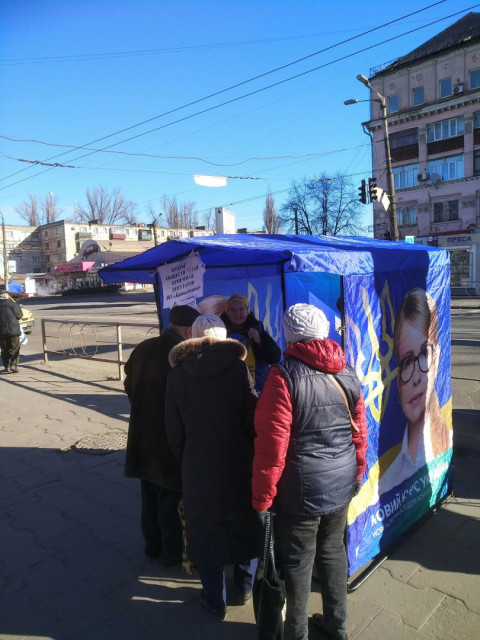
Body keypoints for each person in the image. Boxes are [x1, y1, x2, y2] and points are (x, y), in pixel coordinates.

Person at [252, 303, 368, 640]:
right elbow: (360, 433)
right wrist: (357, 474)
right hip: (342, 482)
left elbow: (271, 447)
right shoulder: (347, 371)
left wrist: (263, 497)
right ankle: (337, 628)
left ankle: (296, 634)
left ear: (290, 335)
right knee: (333, 555)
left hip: (301, 492)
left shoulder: (283, 375)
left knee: (299, 565)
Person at [165, 313, 262, 621]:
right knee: (244, 520)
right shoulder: (237, 369)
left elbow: (173, 429)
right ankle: (245, 586)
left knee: (204, 526)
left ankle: (213, 600)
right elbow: (253, 418)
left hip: (197, 461)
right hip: (238, 457)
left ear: (193, 337)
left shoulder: (178, 375)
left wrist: (186, 461)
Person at [123, 304, 201, 566]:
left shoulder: (144, 347)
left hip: (142, 437)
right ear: (189, 330)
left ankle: (152, 546)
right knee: (170, 498)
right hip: (168, 440)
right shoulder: (182, 355)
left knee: (149, 495)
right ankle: (170, 554)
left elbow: (128, 383)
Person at [381, 287, 452, 492]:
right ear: (397, 380)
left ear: (437, 358)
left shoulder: (447, 442)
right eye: (407, 361)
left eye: (423, 354)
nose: (415, 378)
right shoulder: (385, 480)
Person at [220, 293, 281, 393]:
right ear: (227, 312)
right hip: (231, 389)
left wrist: (259, 341)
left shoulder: (257, 329)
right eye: (233, 310)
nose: (237, 313)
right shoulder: (220, 332)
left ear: (247, 311)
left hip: (260, 388)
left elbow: (275, 357)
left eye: (241, 309)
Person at [0, 292, 23, 374]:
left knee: (4, 349)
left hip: (1, 332)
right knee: (14, 348)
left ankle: (7, 367)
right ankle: (13, 365)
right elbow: (19, 316)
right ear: (6, 295)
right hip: (13, 331)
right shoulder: (12, 304)